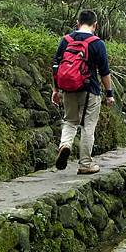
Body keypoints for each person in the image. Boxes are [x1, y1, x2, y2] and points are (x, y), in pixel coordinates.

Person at [51, 9, 115, 175]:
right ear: (95, 25)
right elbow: (104, 72)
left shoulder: (65, 40)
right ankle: (85, 163)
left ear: (77, 23)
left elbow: (56, 66)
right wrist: (109, 94)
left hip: (67, 88)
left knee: (70, 121)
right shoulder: (97, 43)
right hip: (89, 90)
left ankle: (65, 144)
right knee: (88, 126)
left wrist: (56, 90)